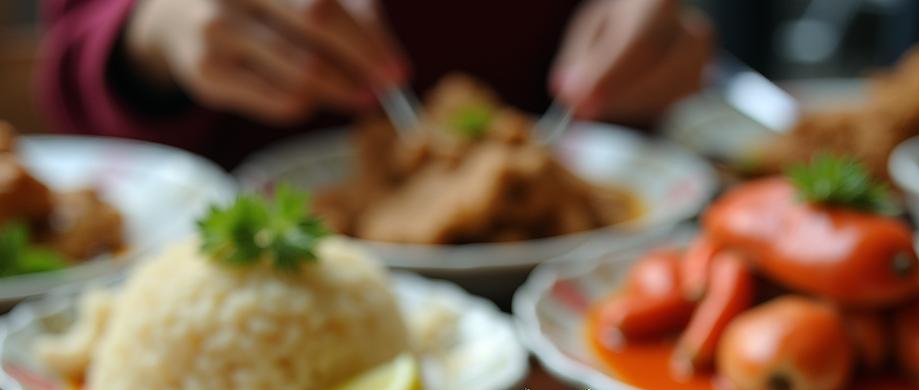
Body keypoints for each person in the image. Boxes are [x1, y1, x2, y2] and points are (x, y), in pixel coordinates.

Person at [38, 0, 713, 167]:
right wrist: (152, 31)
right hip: (249, 265)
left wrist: (654, 42)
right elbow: (72, 42)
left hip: (591, 273)